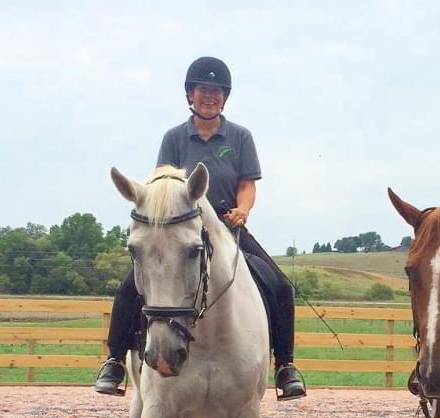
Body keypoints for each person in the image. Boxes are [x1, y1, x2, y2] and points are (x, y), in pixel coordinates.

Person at [94, 56, 306, 400]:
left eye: (217, 92)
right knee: (129, 287)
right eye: (203, 90)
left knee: (280, 286)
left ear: (225, 97)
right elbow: (162, 183)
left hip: (227, 228)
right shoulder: (175, 138)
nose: (210, 97)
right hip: (184, 230)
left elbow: (248, 183)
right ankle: (115, 360)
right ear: (190, 95)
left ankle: (285, 366)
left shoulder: (240, 137)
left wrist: (243, 209)